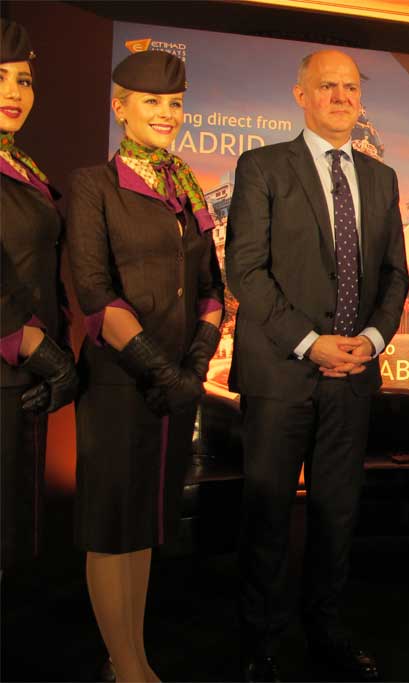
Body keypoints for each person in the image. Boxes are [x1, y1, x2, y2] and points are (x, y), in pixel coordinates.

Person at [226, 49, 409, 682]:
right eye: (326, 85)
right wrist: (312, 342)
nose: (340, 96)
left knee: (337, 514)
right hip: (281, 374)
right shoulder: (262, 167)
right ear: (300, 95)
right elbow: (244, 271)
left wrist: (375, 339)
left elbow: (394, 275)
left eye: (350, 87)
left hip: (354, 376)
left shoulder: (382, 179)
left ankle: (326, 632)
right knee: (269, 515)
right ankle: (261, 641)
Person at [66, 50, 224, 683]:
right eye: (151, 101)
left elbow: (212, 286)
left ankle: (128, 653)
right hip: (118, 379)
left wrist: (196, 362)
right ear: (120, 106)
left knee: (145, 521)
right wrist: (159, 368)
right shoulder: (92, 186)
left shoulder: (185, 184)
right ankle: (129, 665)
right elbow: (94, 292)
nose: (166, 113)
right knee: (112, 523)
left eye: (174, 103)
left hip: (175, 383)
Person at [0, 19, 77, 572]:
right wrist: (30, 342)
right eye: (0, 77)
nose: (13, 92)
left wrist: (58, 351)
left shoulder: (20, 165)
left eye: (23, 80)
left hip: (23, 376)